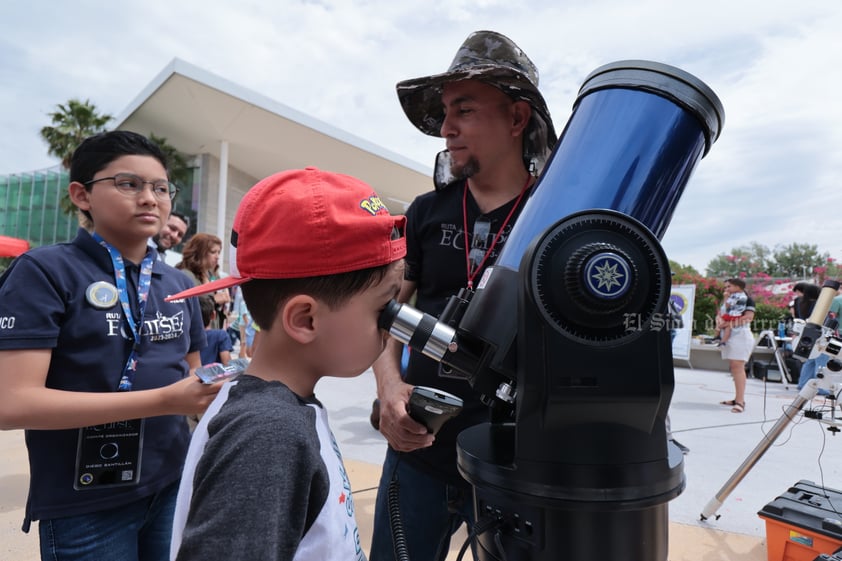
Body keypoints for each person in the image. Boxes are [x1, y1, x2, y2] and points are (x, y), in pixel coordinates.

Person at [369, 30, 557, 561]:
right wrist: (389, 388)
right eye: (447, 112)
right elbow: (383, 313)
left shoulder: (557, 218)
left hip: (515, 464)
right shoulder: (426, 211)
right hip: (417, 448)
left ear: (518, 119)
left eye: (465, 110)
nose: (447, 128)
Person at [0, 130, 221, 560]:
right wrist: (164, 400)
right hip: (86, 503)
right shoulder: (45, 272)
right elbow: (11, 403)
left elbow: (193, 372)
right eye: (128, 184)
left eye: (160, 188)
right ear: (82, 195)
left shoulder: (179, 284)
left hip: (171, 482)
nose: (149, 198)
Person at [166, 167, 405, 560]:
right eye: (384, 308)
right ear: (305, 320)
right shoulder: (266, 434)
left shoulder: (281, 412)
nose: (392, 325)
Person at [175, 232, 231, 329]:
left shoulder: (212, 274)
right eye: (213, 252)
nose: (217, 256)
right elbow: (187, 306)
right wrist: (214, 300)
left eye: (219, 252)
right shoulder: (185, 275)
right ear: (200, 252)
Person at [716, 278, 756, 413]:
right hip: (730, 336)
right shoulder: (731, 299)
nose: (726, 289)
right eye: (725, 287)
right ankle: (737, 398)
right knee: (734, 367)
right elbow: (723, 312)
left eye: (729, 286)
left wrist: (727, 324)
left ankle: (740, 402)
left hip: (740, 335)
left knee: (738, 367)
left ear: (738, 286)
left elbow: (748, 317)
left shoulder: (747, 300)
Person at [792, 282, 831, 394]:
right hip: (819, 334)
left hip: (806, 333)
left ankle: (802, 384)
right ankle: (820, 387)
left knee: (809, 361)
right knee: (821, 361)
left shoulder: (800, 303)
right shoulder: (818, 305)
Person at [198, 295, 233, 367]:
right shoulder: (221, 335)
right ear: (213, 315)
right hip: (214, 376)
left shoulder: (187, 337)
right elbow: (227, 364)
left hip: (193, 377)